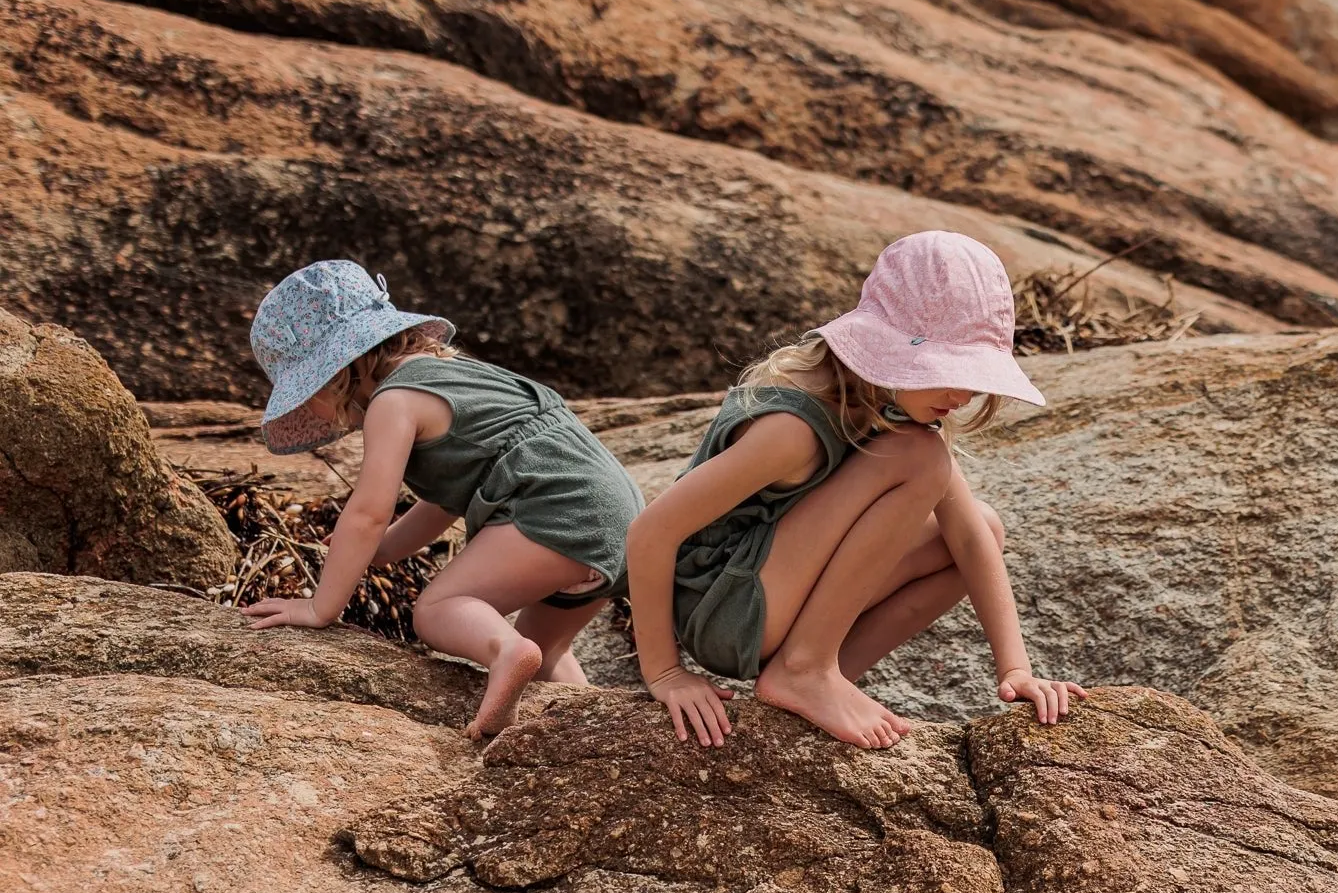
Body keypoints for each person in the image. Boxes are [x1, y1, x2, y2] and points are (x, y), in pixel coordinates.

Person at [627, 231, 1087, 749]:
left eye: (974, 376)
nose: (962, 394)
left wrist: (1016, 669)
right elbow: (650, 532)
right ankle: (806, 669)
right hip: (722, 607)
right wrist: (665, 673)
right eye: (950, 372)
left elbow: (971, 538)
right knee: (920, 457)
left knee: (982, 525)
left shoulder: (889, 406)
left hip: (765, 602)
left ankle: (821, 674)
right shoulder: (792, 430)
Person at [239, 260, 644, 739]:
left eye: (307, 391)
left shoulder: (393, 403)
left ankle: (504, 652)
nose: (311, 406)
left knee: (437, 610)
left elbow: (368, 512)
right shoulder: (458, 374)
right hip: (619, 518)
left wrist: (319, 607)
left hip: (557, 508)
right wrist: (384, 550)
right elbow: (447, 501)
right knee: (546, 651)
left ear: (337, 373)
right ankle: (590, 730)